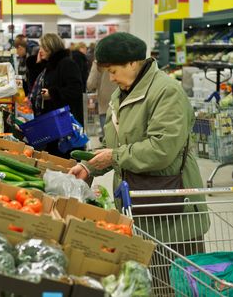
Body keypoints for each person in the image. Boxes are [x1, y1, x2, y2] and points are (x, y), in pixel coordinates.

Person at [69, 32, 210, 254]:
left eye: (113, 71)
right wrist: (89, 166)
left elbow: (161, 149)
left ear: (133, 63)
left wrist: (114, 157)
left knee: (176, 284)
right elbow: (116, 145)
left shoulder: (166, 92)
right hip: (139, 208)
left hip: (172, 212)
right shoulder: (120, 95)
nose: (111, 78)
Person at [29, 33, 84, 157]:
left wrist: (53, 94)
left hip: (63, 124)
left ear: (51, 47)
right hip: (52, 123)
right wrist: (36, 65)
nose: (40, 50)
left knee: (64, 158)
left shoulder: (66, 64)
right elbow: (33, 86)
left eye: (43, 47)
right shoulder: (48, 66)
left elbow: (75, 89)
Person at [86, 60, 117, 138]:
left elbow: (90, 84)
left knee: (108, 138)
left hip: (105, 104)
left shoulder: (98, 62)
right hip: (122, 101)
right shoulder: (125, 57)